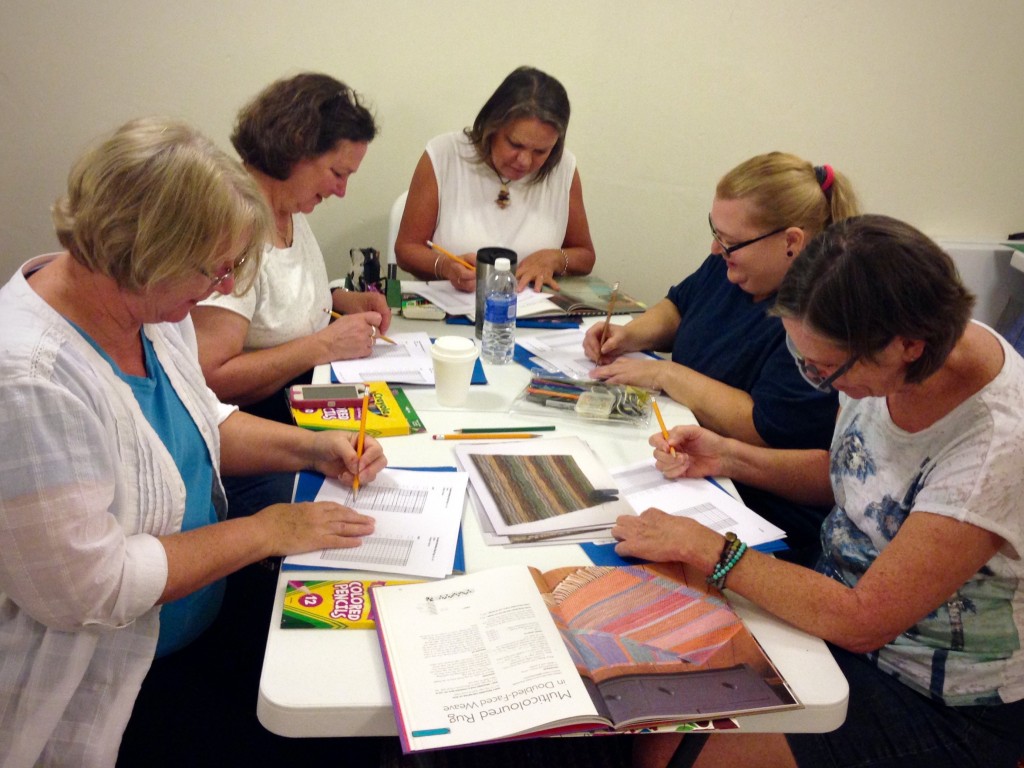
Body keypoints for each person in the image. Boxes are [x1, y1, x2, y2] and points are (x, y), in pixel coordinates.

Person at [0, 117, 387, 767]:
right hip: (117, 673)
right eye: (215, 269)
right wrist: (267, 531)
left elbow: (204, 418)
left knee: (353, 686)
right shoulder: (28, 380)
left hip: (198, 615)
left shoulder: (147, 311)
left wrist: (315, 448)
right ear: (143, 253)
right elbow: (90, 589)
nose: (226, 288)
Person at [613, 215, 1024, 768]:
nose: (817, 380)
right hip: (830, 610)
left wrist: (710, 548)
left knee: (673, 748)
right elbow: (853, 473)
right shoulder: (881, 357)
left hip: (935, 693)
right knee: (643, 689)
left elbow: (863, 620)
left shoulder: (996, 445)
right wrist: (729, 455)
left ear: (908, 345)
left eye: (825, 369)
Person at [584, 152, 860, 564]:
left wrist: (666, 374)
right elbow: (680, 305)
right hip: (698, 465)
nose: (717, 248)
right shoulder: (732, 265)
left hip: (756, 511)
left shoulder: (815, 321)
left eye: (730, 242)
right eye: (716, 233)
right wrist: (630, 334)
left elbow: (765, 426)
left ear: (791, 242)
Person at [192, 72, 392, 426]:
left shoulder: (287, 207)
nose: (342, 191)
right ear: (296, 148)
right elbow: (211, 378)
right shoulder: (233, 227)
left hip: (304, 399)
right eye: (337, 173)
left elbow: (274, 307)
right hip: (259, 425)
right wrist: (325, 345)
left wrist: (338, 300)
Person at [395, 65, 596, 293]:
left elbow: (585, 255)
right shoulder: (444, 155)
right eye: (515, 144)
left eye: (541, 151)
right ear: (492, 127)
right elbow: (406, 249)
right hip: (452, 312)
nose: (525, 161)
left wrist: (556, 259)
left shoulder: (563, 168)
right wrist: (445, 266)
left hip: (533, 315)